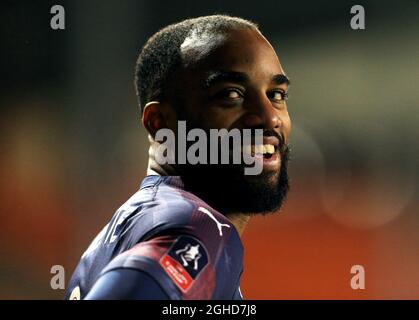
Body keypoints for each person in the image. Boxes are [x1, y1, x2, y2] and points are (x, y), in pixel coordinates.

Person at [65, 14, 291, 300]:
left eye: (277, 94)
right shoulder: (196, 229)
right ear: (159, 122)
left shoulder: (136, 224)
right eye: (231, 94)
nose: (270, 117)